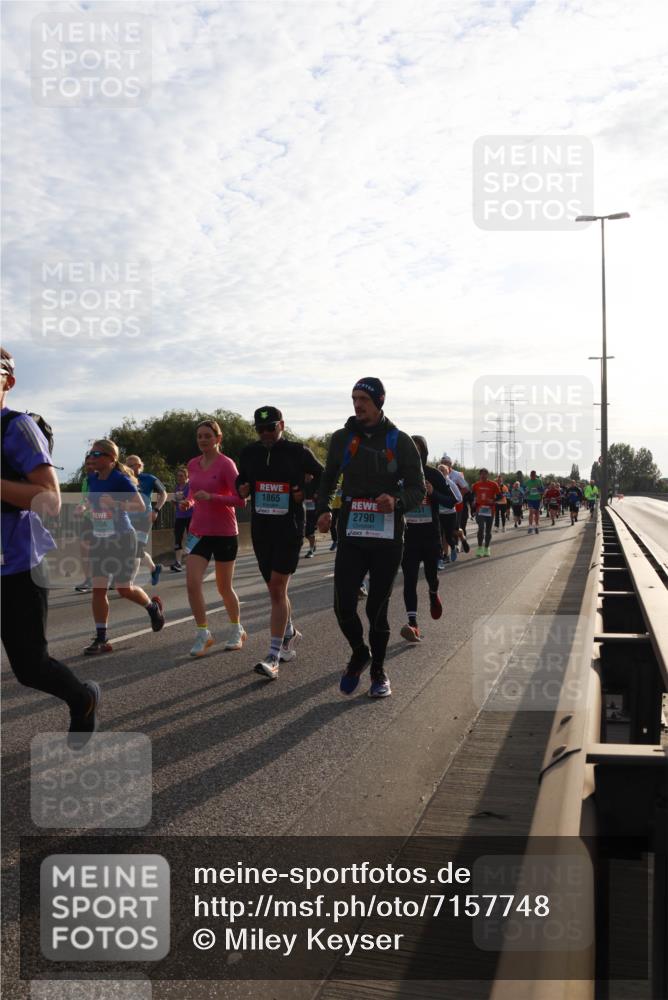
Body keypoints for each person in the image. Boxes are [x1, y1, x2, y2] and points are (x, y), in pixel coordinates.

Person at [0, 347, 99, 747]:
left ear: (8, 380)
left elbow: (49, 499)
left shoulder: (17, 427)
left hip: (17, 566)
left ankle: (82, 698)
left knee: (31, 668)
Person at [316, 378, 425, 698]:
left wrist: (397, 501)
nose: (357, 404)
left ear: (379, 401)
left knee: (377, 608)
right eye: (353, 398)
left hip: (388, 537)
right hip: (351, 532)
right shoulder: (341, 438)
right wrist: (323, 509)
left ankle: (378, 669)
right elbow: (328, 478)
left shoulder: (399, 440)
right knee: (343, 605)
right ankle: (359, 651)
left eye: (363, 398)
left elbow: (418, 488)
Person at [236, 406, 323, 680]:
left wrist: (304, 492)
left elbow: (324, 475)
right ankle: (289, 633)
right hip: (261, 529)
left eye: (270, 428)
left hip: (290, 526)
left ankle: (273, 655)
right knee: (274, 592)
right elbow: (241, 478)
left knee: (277, 586)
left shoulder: (298, 451)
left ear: (281, 425)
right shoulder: (250, 453)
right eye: (259, 429)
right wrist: (242, 488)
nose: (265, 434)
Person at [84, 440, 165, 654]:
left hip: (122, 538)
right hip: (101, 538)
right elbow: (94, 503)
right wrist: (86, 508)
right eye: (90, 454)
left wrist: (116, 504)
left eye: (97, 454)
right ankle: (101, 638)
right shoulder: (92, 478)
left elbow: (139, 505)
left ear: (111, 458)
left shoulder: (120, 479)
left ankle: (152, 607)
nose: (92, 458)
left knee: (123, 588)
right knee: (98, 588)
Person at [183, 420, 247, 656]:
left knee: (223, 587)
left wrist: (212, 497)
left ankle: (236, 628)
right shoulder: (192, 464)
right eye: (199, 436)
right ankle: (203, 633)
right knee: (192, 583)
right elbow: (192, 491)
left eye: (207, 436)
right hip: (199, 531)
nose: (202, 440)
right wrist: (189, 500)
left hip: (224, 532)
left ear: (218, 439)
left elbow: (241, 500)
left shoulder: (226, 465)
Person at [400, 438, 457, 642]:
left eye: (418, 451)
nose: (413, 455)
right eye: (410, 451)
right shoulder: (399, 474)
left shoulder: (433, 474)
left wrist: (433, 493)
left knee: (432, 576)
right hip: (408, 536)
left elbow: (452, 500)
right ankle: (413, 624)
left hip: (431, 535)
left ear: (423, 453)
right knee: (409, 580)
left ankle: (433, 593)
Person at [125, 455, 168, 587]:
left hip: (145, 517)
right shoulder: (124, 479)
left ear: (140, 465)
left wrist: (156, 510)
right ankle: (154, 569)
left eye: (134, 465)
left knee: (137, 549)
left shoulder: (149, 478)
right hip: (128, 519)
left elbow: (164, 494)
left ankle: (129, 583)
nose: (131, 468)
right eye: (129, 465)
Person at [73, 452, 97, 592]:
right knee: (84, 548)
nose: (90, 467)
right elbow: (85, 499)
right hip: (88, 519)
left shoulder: (102, 479)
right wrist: (80, 507)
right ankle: (88, 580)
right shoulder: (85, 481)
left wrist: (83, 506)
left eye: (93, 464)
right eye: (87, 464)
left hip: (103, 519)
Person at [436, 462, 462, 568]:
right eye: (439, 471)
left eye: (443, 470)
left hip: (450, 513)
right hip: (439, 514)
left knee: (447, 535)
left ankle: (453, 547)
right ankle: (442, 557)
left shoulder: (450, 483)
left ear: (447, 472)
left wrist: (449, 503)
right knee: (438, 536)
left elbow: (459, 498)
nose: (441, 472)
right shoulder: (435, 483)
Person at [471, 468, 500, 557]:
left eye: (485, 474)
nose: (483, 475)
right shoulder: (476, 485)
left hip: (490, 510)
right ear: (479, 475)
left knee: (488, 531)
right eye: (481, 474)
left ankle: (487, 548)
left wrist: (493, 500)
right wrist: (473, 503)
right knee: (481, 528)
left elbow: (500, 496)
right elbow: (472, 496)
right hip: (480, 510)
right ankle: (480, 548)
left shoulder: (493, 484)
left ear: (487, 475)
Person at [170, 466, 191, 571]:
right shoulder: (176, 487)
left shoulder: (190, 486)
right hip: (180, 516)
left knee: (191, 538)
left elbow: (192, 499)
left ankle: (192, 560)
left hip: (191, 515)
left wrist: (183, 500)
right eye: (178, 476)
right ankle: (178, 562)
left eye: (181, 476)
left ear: (187, 476)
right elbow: (176, 501)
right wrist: (174, 502)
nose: (179, 478)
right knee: (178, 538)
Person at [302, 473, 318, 558]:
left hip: (312, 511)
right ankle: (313, 544)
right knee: (303, 533)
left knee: (310, 532)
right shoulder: (300, 483)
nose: (307, 476)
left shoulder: (316, 483)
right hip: (302, 511)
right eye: (306, 475)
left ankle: (311, 551)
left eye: (309, 475)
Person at [523, 470, 544, 535]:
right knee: (531, 512)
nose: (532, 476)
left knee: (537, 513)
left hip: (537, 499)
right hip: (530, 499)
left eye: (534, 475)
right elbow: (524, 491)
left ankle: (537, 526)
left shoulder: (539, 481)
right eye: (531, 475)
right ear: (530, 475)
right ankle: (530, 527)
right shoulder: (527, 482)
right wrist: (527, 492)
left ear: (535, 475)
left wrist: (539, 490)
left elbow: (542, 490)